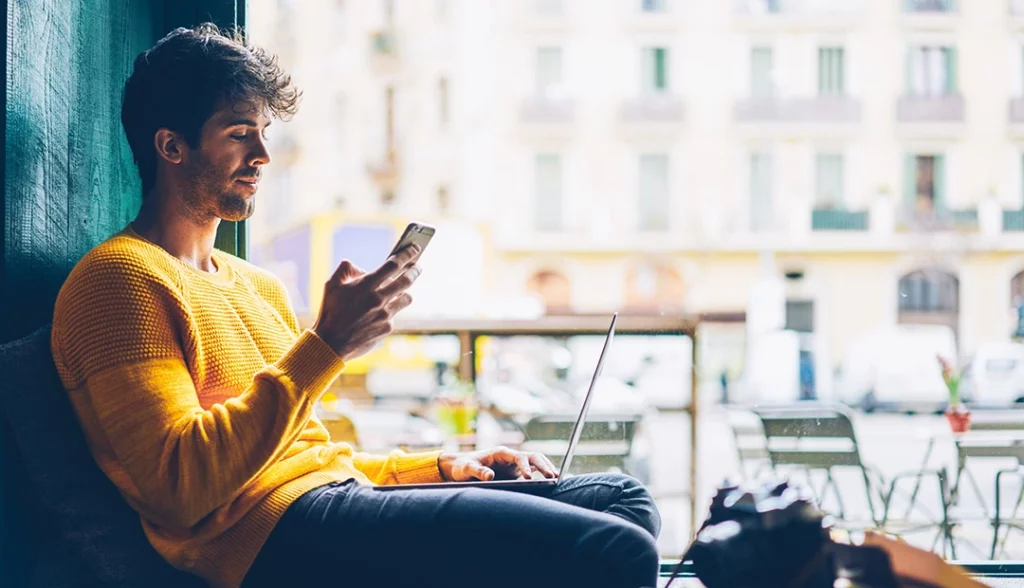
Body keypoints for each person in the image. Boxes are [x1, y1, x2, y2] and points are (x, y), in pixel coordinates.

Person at [50, 24, 661, 588]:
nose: (263, 154)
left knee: (625, 501)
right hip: (273, 541)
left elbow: (318, 459)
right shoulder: (119, 278)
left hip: (333, 504)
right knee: (618, 550)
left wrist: (443, 468)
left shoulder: (257, 286)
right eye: (240, 134)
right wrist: (328, 346)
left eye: (265, 132)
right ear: (171, 146)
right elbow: (181, 487)